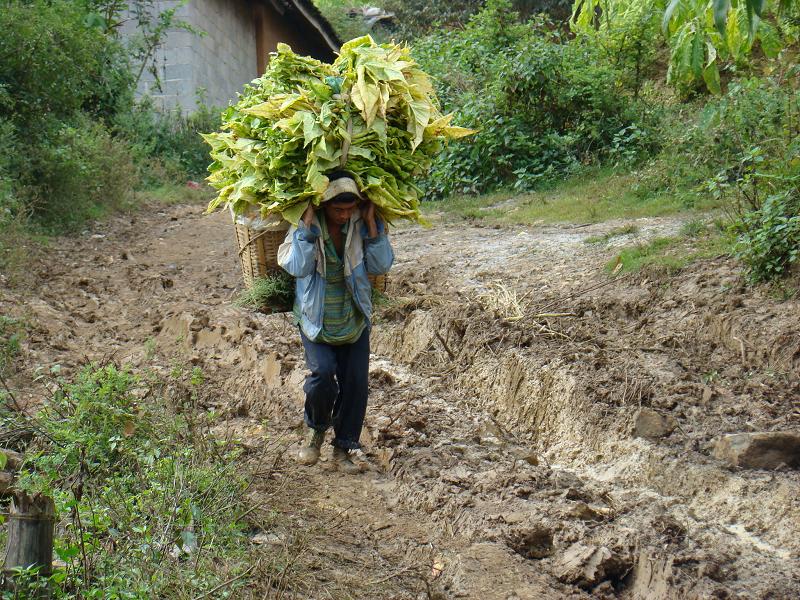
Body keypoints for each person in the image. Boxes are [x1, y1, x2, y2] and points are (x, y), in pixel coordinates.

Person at [277, 171, 394, 473]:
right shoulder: (306, 226)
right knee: (322, 375)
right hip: (317, 318)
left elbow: (381, 265)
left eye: (349, 209)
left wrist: (370, 224)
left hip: (353, 315)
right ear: (323, 206)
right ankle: (315, 430)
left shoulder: (362, 223)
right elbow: (298, 267)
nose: (344, 215)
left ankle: (343, 448)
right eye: (337, 210)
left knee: (356, 384)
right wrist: (304, 228)